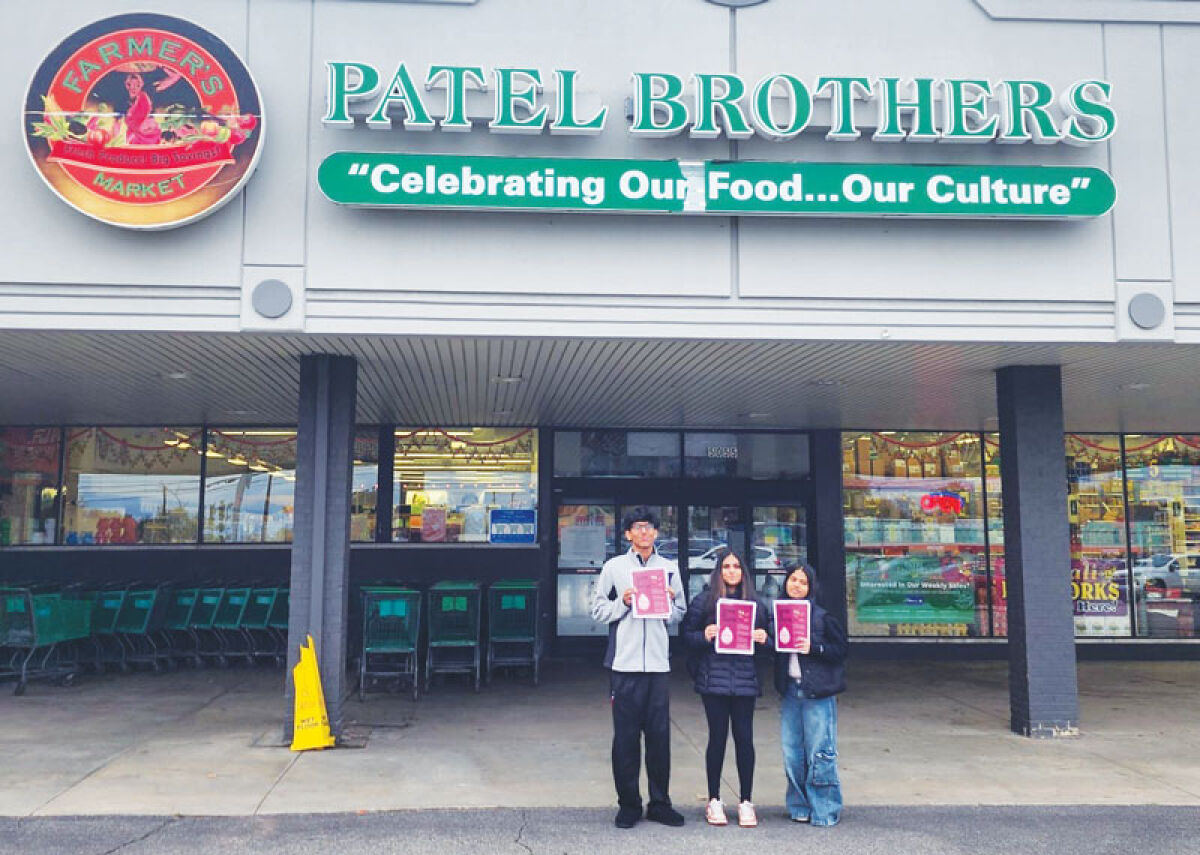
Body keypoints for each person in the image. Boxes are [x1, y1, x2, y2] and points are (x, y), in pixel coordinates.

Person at [591, 507, 687, 829]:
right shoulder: (614, 567)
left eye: (649, 527)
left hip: (658, 666)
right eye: (638, 527)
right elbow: (598, 610)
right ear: (628, 533)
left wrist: (669, 603)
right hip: (624, 666)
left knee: (659, 739)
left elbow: (680, 613)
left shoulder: (669, 568)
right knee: (626, 739)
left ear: (656, 533)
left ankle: (660, 803)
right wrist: (623, 602)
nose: (644, 532)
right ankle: (629, 804)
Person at [681, 548, 770, 827]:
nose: (732, 571)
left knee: (744, 739)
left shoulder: (756, 604)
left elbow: (772, 645)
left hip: (744, 680)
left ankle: (746, 801)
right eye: (726, 566)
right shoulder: (705, 601)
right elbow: (686, 636)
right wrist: (704, 635)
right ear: (718, 572)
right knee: (717, 739)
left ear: (744, 572)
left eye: (736, 566)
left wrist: (763, 638)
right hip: (715, 680)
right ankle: (714, 799)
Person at [774, 563, 848, 827]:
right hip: (791, 691)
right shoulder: (777, 614)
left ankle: (825, 808)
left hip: (817, 692)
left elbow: (840, 650)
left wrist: (814, 647)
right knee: (791, 751)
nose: (796, 585)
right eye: (793, 580)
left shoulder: (822, 617)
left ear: (811, 587)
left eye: (803, 582)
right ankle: (799, 805)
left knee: (820, 751)